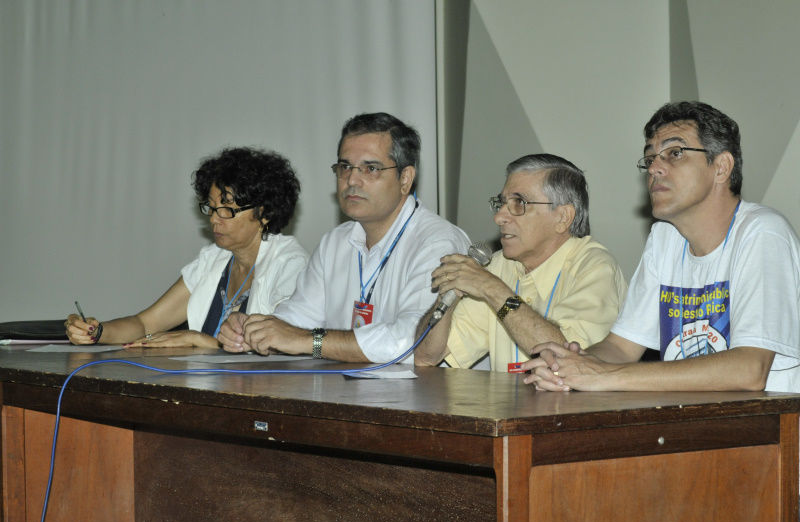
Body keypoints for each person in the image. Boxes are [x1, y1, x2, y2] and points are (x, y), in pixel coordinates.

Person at [527, 101, 800, 392]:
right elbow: (621, 348)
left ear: (721, 167)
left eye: (675, 153)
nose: (655, 168)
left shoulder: (762, 232)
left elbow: (750, 370)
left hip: (770, 419)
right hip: (688, 417)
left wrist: (603, 376)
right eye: (650, 159)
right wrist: (566, 367)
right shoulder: (665, 238)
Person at [218, 112, 470, 362]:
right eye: (345, 167)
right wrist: (254, 330)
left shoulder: (437, 243)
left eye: (370, 169)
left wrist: (311, 341)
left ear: (405, 179)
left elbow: (412, 340)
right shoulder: (335, 242)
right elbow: (297, 320)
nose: (352, 180)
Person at [65, 147, 308, 348]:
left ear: (264, 213)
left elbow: (279, 348)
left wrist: (197, 339)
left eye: (227, 209)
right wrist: (96, 331)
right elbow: (146, 324)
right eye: (211, 207)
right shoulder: (214, 258)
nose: (214, 219)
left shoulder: (291, 265)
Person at [414, 154, 627, 372]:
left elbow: (566, 363)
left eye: (519, 203)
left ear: (563, 217)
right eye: (501, 203)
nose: (499, 217)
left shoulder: (595, 268)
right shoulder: (500, 265)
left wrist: (492, 289)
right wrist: (448, 294)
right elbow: (426, 357)